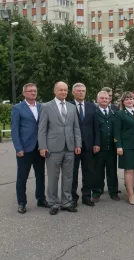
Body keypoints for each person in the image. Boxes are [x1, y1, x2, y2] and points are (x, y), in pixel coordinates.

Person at [38, 82, 82, 215]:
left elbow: (76, 128)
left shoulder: (72, 107)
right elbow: (42, 129)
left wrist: (78, 144)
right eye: (60, 90)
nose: (63, 92)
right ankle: (53, 203)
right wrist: (42, 146)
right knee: (53, 177)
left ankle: (66, 202)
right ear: (54, 91)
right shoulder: (46, 107)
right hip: (52, 148)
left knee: (68, 176)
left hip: (69, 147)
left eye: (65, 90)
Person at [11, 83, 49, 214]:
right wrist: (18, 148)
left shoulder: (41, 107)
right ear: (24, 93)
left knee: (40, 176)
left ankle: (41, 199)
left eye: (35, 91)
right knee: (22, 177)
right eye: (30, 91)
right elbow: (14, 130)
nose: (33, 93)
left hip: (40, 148)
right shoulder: (17, 108)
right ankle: (22, 203)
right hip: (25, 149)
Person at [70, 83, 100, 207]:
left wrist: (97, 143)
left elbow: (96, 127)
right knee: (73, 173)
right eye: (79, 91)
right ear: (73, 92)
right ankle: (72, 198)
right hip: (73, 146)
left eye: (83, 91)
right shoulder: (68, 106)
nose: (82, 93)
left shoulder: (91, 106)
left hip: (89, 145)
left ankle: (86, 196)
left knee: (88, 172)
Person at [114, 92, 134, 205]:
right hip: (127, 146)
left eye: (131, 99)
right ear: (123, 101)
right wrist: (118, 146)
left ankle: (131, 191)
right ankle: (130, 195)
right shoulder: (120, 114)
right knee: (129, 170)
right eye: (126, 99)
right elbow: (116, 131)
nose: (129, 101)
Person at [92, 91, 120, 202]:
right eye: (102, 98)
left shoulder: (114, 112)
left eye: (106, 98)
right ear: (97, 99)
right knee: (98, 171)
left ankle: (113, 192)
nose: (104, 100)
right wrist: (95, 143)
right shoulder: (94, 112)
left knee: (112, 171)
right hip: (99, 147)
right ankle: (97, 192)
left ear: (109, 100)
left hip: (111, 147)